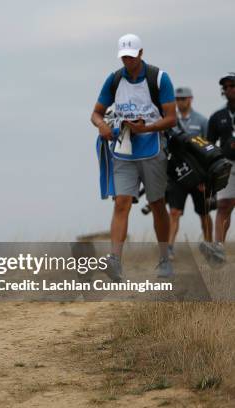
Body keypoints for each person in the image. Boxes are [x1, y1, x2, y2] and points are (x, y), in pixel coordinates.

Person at [91, 33, 176, 280]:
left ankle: (164, 258)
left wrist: (146, 128)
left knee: (158, 203)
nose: (127, 61)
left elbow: (171, 118)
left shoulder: (159, 78)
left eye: (131, 56)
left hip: (152, 148)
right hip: (123, 149)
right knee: (121, 203)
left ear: (141, 53)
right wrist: (102, 126)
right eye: (123, 57)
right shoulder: (114, 79)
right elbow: (96, 113)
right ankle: (115, 261)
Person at [166, 87, 212, 260]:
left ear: (190, 99)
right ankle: (169, 247)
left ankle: (209, 245)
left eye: (183, 98)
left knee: (204, 212)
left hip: (198, 175)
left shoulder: (201, 121)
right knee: (174, 212)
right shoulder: (170, 121)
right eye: (177, 99)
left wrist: (206, 177)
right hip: (178, 174)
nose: (180, 102)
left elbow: (208, 148)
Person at [207, 72, 235, 264]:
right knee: (224, 205)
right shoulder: (217, 116)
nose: (228, 89)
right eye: (225, 87)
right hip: (228, 165)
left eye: (232, 85)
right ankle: (218, 248)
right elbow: (209, 145)